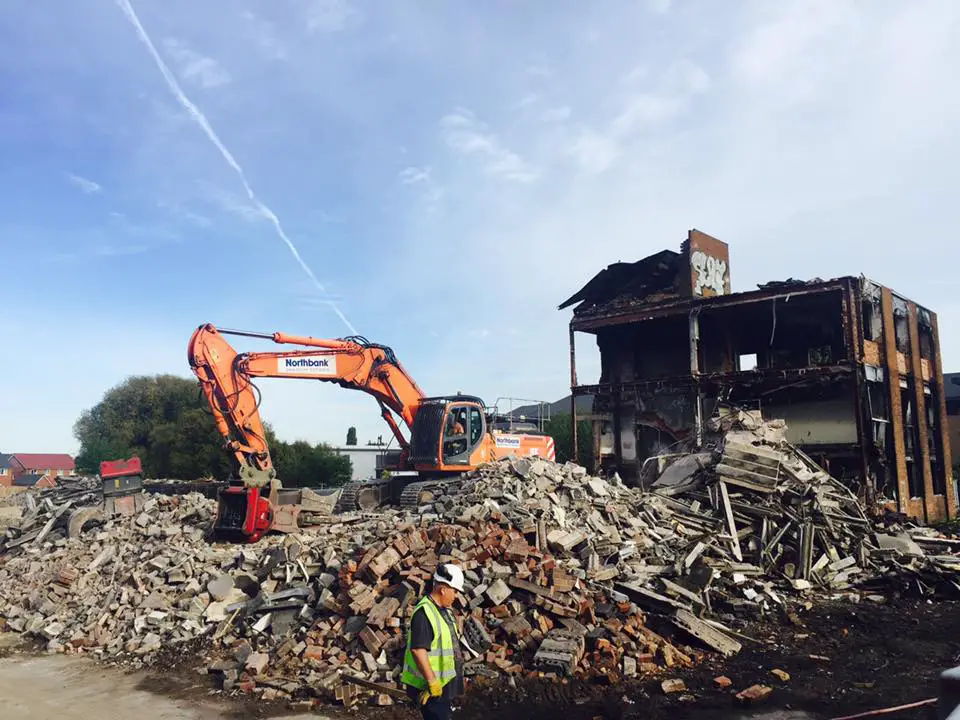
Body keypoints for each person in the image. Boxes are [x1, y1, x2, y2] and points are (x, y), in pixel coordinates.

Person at [401, 563, 465, 720]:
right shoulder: (424, 613)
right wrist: (432, 681)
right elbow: (418, 650)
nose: (456, 595)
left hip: (443, 686)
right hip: (431, 688)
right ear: (443, 589)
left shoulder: (444, 612)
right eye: (455, 591)